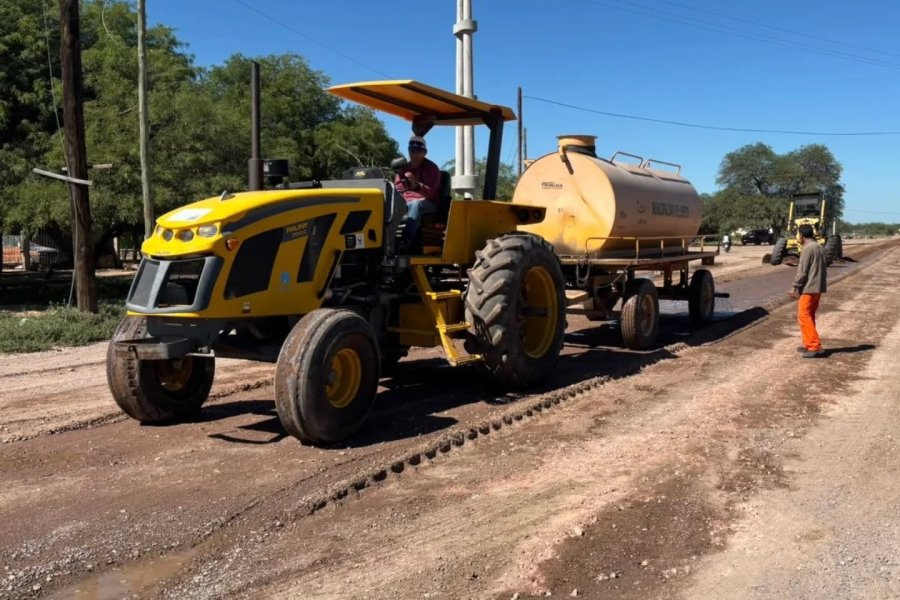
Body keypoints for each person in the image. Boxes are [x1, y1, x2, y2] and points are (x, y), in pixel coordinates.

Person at [394, 135, 441, 249]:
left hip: (428, 203)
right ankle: (388, 241)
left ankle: (405, 242)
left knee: (415, 204)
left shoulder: (432, 168)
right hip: (406, 201)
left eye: (418, 151)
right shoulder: (403, 169)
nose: (415, 154)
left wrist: (417, 184)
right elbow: (398, 189)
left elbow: (430, 193)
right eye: (412, 150)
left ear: (424, 152)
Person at [789, 224, 827, 358]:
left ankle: (814, 346)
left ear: (801, 235)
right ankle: (808, 344)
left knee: (803, 316)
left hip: (809, 288)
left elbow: (802, 271)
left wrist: (794, 286)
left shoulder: (807, 248)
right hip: (818, 287)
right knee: (809, 316)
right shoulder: (820, 247)